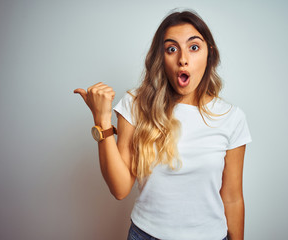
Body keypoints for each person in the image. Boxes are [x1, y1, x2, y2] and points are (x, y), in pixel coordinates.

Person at [74, 10, 251, 240]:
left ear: (210, 54)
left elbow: (233, 198)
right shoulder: (136, 104)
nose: (183, 59)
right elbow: (119, 189)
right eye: (172, 49)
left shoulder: (231, 117)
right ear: (161, 57)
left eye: (194, 47)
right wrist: (102, 121)